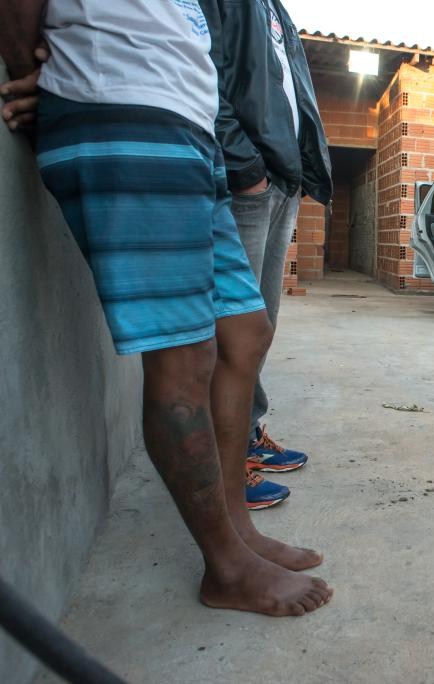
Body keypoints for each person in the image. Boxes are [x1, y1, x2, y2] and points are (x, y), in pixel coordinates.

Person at [0, 0, 331, 615]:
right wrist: (35, 73)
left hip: (186, 127)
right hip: (119, 107)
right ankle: (225, 569)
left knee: (246, 334)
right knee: (185, 358)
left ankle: (240, 530)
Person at [198, 0, 333, 509]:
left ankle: (246, 433)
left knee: (259, 327)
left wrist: (292, 177)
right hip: (247, 180)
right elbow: (201, 69)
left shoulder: (274, 9)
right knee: (232, 330)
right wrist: (245, 168)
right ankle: (223, 466)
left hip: (279, 180)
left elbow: (290, 92)